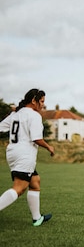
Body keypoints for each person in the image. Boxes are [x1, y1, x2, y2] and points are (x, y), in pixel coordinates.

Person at [0, 89, 55, 226]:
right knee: (19, 187)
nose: (42, 105)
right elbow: (36, 138)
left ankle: (37, 219)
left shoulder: (15, 114)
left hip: (13, 152)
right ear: (33, 100)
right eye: (41, 101)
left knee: (35, 182)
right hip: (24, 154)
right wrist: (49, 147)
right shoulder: (34, 116)